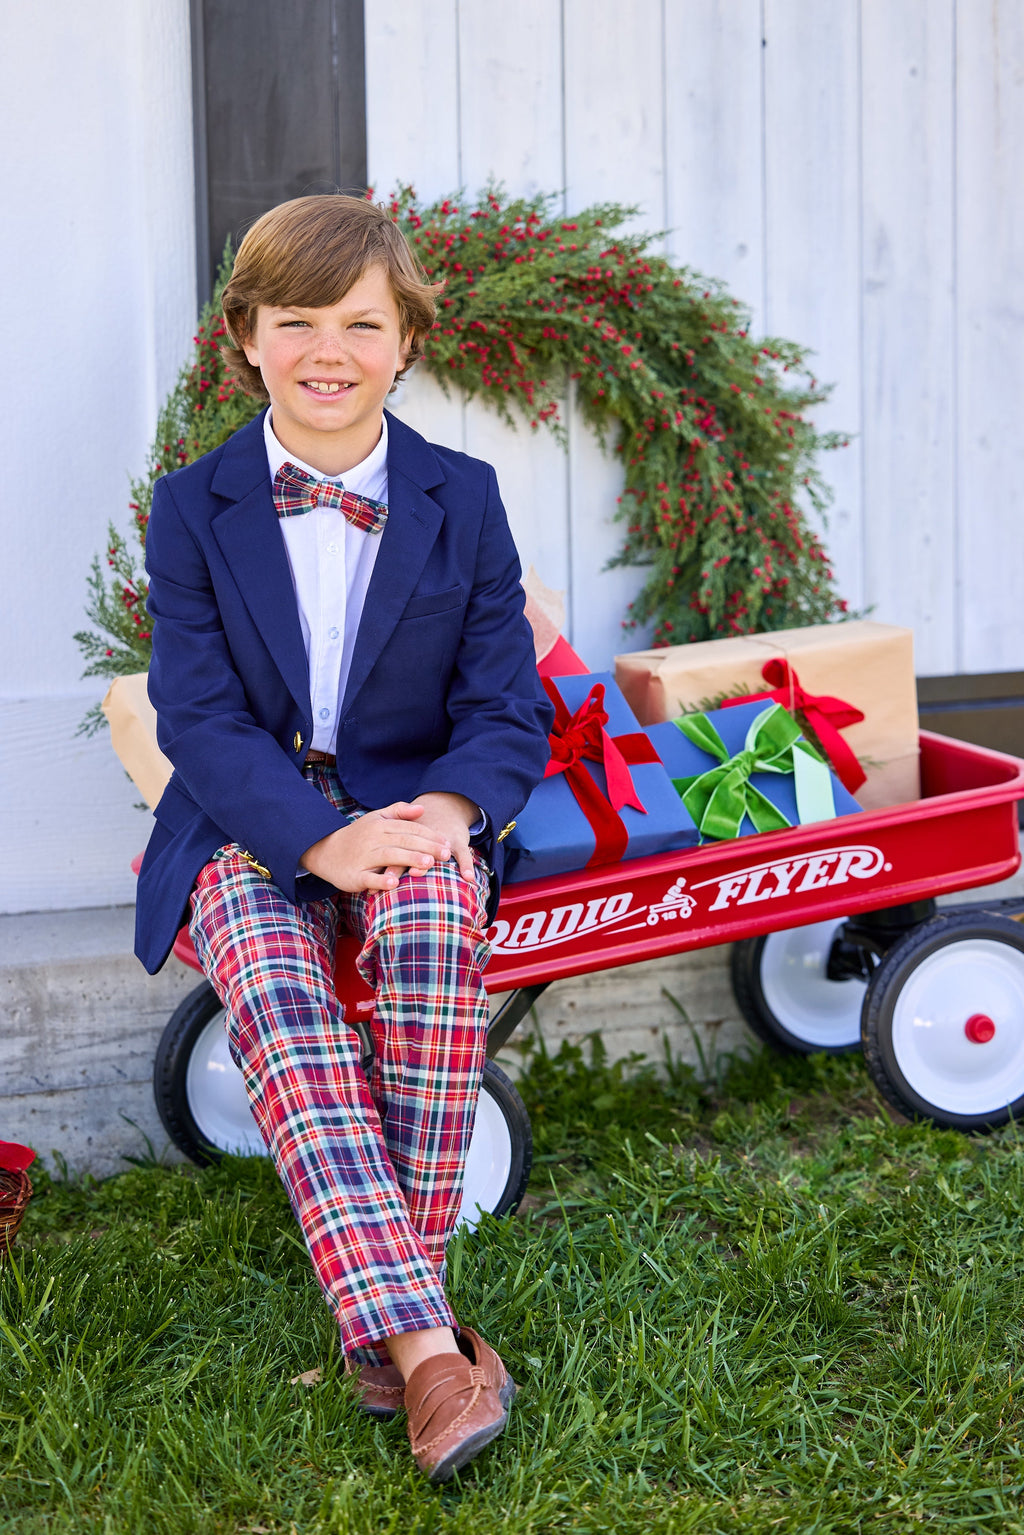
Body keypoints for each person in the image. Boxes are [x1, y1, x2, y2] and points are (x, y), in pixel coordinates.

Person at [134, 194, 553, 1480]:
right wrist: (314, 842)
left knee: (433, 923)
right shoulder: (194, 507)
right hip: (244, 817)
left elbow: (501, 703)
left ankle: (381, 1328)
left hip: (412, 801)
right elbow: (195, 717)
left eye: (361, 321)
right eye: (296, 319)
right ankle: (428, 1347)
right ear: (245, 339)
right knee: (274, 979)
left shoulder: (463, 497)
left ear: (407, 340)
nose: (330, 348)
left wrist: (449, 809)